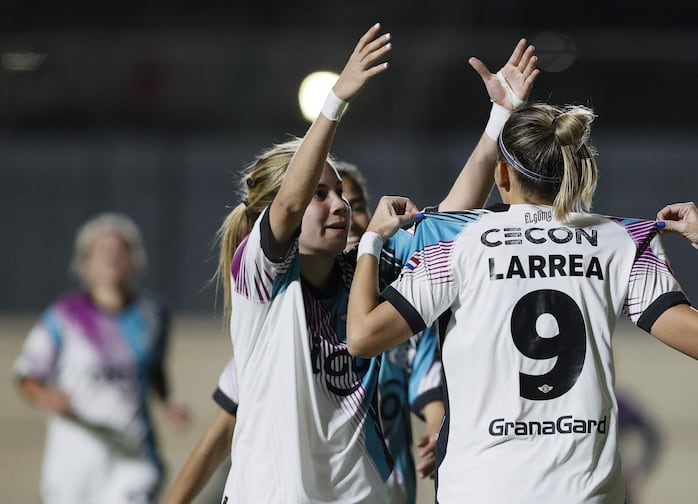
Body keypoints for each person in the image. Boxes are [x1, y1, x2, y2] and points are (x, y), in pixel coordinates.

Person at [214, 24, 539, 503]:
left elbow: (448, 218)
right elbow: (285, 208)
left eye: (341, 195)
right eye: (319, 195)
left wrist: (499, 118)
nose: (339, 206)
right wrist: (336, 100)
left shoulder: (363, 268)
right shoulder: (259, 277)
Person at [346, 103, 698, 503]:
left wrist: (371, 240)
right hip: (586, 492)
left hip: (481, 488)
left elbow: (361, 337)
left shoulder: (452, 241)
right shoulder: (622, 240)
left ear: (501, 172)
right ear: (572, 168)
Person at [164, 166, 443, 504]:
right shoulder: (272, 324)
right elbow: (220, 434)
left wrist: (439, 430)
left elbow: (433, 401)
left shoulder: (398, 305)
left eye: (352, 202)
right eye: (320, 196)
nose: (344, 211)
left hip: (379, 492)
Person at [13, 212, 191, 504]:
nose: (112, 258)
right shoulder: (63, 316)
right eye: (102, 251)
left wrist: (168, 400)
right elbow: (26, 374)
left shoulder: (153, 314)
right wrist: (45, 396)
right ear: (84, 265)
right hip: (76, 455)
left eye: (121, 250)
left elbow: (155, 367)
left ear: (134, 261)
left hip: (133, 455)